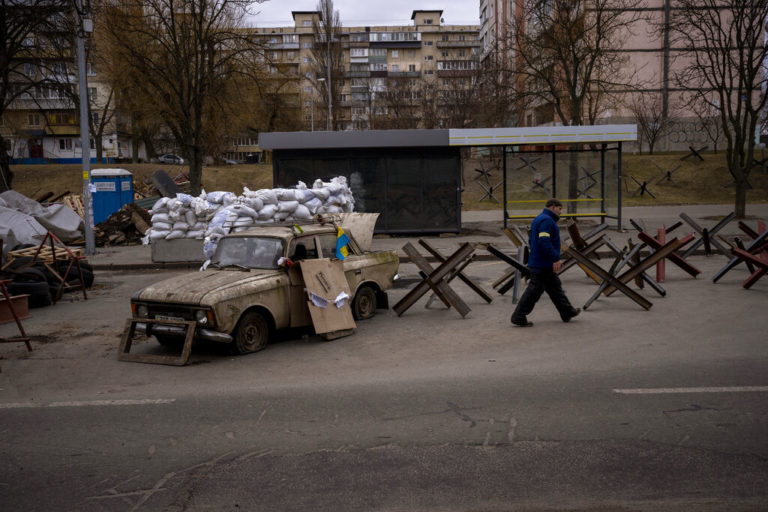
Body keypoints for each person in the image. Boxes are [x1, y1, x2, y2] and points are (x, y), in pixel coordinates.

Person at [510, 198, 580, 327]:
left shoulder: (540, 218)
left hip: (541, 261)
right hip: (542, 263)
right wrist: (555, 257)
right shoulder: (547, 221)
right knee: (534, 290)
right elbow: (544, 241)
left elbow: (532, 240)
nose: (561, 212)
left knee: (554, 287)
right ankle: (518, 316)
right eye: (560, 209)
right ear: (553, 207)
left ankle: (567, 311)